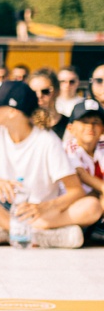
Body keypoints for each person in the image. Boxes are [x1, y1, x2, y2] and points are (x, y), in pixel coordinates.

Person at [0, 81, 101, 248]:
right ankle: (26, 232)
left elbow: (75, 191)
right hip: (2, 207)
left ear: (12, 111)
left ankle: (7, 232)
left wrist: (43, 207)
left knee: (92, 206)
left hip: (37, 212)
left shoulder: (47, 141)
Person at [62, 98, 104, 244]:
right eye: (84, 122)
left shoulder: (102, 147)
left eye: (96, 122)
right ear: (70, 128)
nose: (90, 127)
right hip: (72, 205)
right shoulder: (68, 146)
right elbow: (80, 173)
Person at [29, 68, 68, 139]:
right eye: (33, 92)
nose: (39, 96)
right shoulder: (25, 125)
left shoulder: (69, 124)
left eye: (45, 91)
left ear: (57, 91)